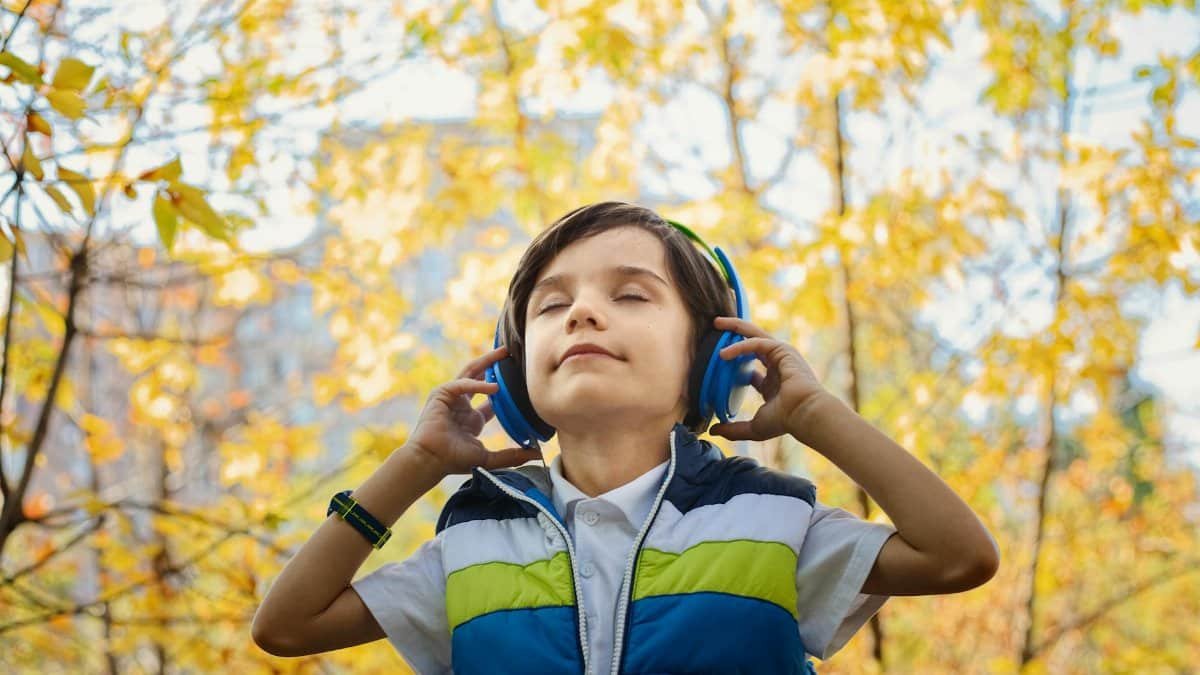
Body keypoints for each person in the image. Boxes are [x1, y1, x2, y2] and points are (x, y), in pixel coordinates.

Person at [251, 201, 1000, 674]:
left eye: (630, 293)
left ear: (707, 360)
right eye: (551, 305)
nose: (580, 313)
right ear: (514, 378)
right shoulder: (472, 546)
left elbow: (959, 553)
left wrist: (815, 414)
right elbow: (286, 624)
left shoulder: (771, 525)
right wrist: (415, 466)